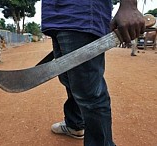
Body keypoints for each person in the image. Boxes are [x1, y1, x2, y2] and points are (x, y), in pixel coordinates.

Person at [41, 0, 145, 146]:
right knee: (70, 80)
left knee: (90, 94)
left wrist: (129, 5)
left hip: (81, 14)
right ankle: (75, 124)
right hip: (55, 18)